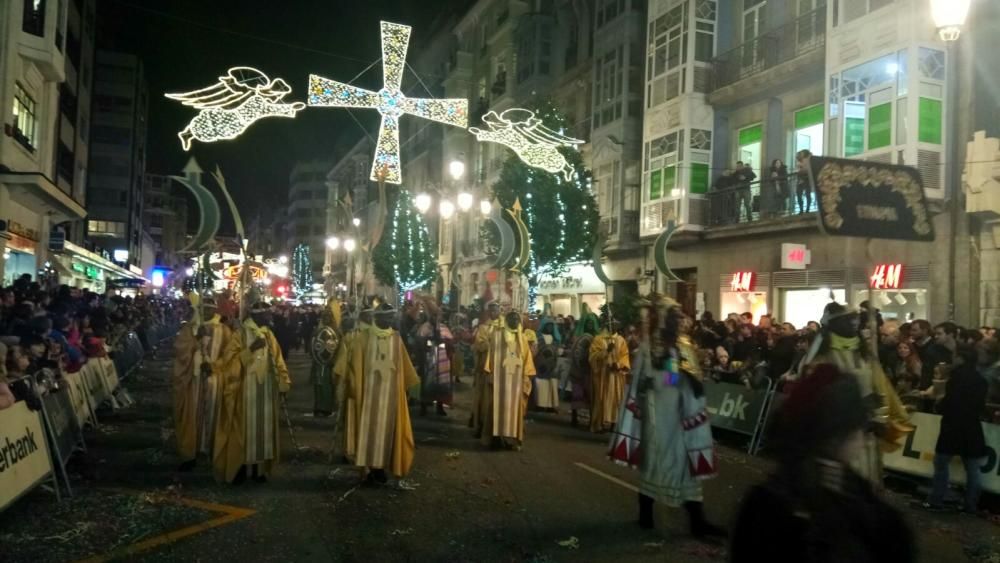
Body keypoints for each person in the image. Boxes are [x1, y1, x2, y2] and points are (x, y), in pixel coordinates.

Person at [731, 364, 916, 562]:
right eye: (860, 428)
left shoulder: (849, 488)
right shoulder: (778, 504)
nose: (865, 438)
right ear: (836, 434)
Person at [635, 296, 724, 539]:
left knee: (685, 467)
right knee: (653, 463)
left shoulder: (680, 346)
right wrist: (647, 382)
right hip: (656, 418)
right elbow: (638, 383)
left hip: (679, 418)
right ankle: (645, 516)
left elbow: (676, 380)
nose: (680, 320)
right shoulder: (647, 348)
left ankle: (698, 522)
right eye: (674, 316)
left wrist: (678, 377)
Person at [802, 302, 911, 483]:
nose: (854, 323)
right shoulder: (823, 358)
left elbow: (880, 388)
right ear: (835, 323)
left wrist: (882, 417)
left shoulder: (865, 354)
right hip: (836, 436)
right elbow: (815, 396)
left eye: (856, 319)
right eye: (849, 319)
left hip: (866, 434)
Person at [339, 305, 419, 484]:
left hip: (391, 396)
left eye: (392, 317)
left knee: (389, 430)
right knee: (369, 429)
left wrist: (405, 391)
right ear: (378, 318)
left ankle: (381, 468)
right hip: (368, 397)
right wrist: (350, 382)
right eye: (387, 317)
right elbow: (351, 366)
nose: (390, 321)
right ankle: (369, 469)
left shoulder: (396, 339)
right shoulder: (362, 338)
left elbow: (404, 370)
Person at [213, 301, 291, 484]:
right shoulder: (239, 335)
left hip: (265, 391)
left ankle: (259, 469)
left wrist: (283, 380)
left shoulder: (268, 335)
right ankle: (239, 468)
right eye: (266, 314)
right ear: (256, 315)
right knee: (242, 430)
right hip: (244, 391)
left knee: (262, 430)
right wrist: (251, 349)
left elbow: (278, 360)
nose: (269, 317)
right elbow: (228, 363)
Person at [923, 344, 988, 513]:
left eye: (955, 355)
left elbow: (949, 402)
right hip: (972, 427)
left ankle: (937, 499)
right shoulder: (981, 380)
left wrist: (939, 404)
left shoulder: (955, 378)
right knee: (973, 469)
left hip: (952, 426)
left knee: (941, 463)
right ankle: (970, 504)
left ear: (961, 358)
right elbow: (980, 406)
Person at [172, 297, 231, 472]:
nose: (207, 312)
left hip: (215, 378)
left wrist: (213, 366)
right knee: (192, 415)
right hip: (193, 380)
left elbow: (229, 355)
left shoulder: (224, 330)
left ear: (215, 310)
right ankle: (191, 452)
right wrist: (195, 340)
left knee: (213, 415)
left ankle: (213, 451)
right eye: (203, 309)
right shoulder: (190, 329)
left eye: (210, 309)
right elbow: (179, 351)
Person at [481, 311, 536, 450]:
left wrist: (526, 377)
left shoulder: (522, 339)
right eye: (511, 317)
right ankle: (495, 438)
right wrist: (490, 372)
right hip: (500, 381)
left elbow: (527, 359)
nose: (514, 320)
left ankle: (511, 439)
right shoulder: (497, 336)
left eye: (517, 318)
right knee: (497, 408)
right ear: (506, 319)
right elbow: (491, 355)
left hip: (516, 383)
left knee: (514, 411)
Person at [588, 320, 630, 433]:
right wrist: (606, 351)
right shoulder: (598, 339)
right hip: (602, 375)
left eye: (617, 324)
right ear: (607, 324)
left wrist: (619, 365)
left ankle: (613, 423)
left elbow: (625, 356)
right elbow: (592, 357)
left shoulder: (621, 340)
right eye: (612, 323)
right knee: (601, 399)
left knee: (616, 400)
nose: (615, 325)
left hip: (616, 376)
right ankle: (598, 425)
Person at [471, 302, 502, 437]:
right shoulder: (484, 327)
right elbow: (479, 344)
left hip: (501, 370)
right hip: (486, 368)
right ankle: (482, 424)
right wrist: (491, 345)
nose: (494, 313)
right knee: (484, 399)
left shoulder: (505, 327)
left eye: (496, 310)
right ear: (489, 312)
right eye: (491, 311)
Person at [309, 298, 342, 418]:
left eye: (329, 316)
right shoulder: (318, 331)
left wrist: (335, 360)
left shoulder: (337, 333)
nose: (327, 318)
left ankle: (327, 407)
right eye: (326, 316)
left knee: (328, 386)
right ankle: (319, 407)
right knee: (319, 385)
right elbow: (313, 346)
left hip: (330, 365)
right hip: (319, 364)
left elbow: (339, 348)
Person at [794, 149, 813, 213]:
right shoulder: (799, 160)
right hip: (800, 179)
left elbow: (807, 168)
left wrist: (802, 168)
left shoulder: (809, 159)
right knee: (799, 194)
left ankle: (807, 209)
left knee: (807, 194)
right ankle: (801, 209)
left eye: (802, 153)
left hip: (807, 179)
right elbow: (797, 169)